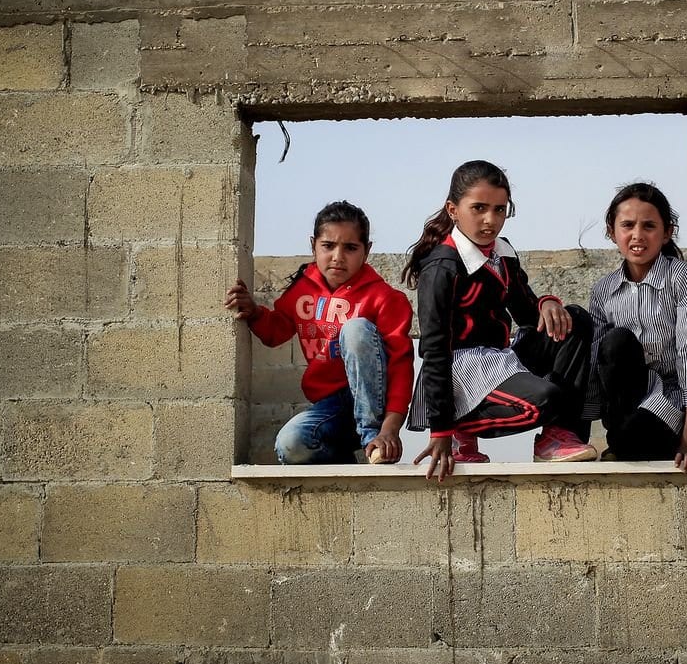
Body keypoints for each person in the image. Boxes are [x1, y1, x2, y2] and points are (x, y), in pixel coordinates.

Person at [403, 159, 597, 480]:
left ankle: (555, 437)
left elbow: (526, 313)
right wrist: (440, 428)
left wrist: (547, 304)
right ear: (453, 209)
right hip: (458, 369)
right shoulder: (442, 266)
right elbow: (435, 349)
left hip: (501, 358)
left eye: (499, 209)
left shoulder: (503, 252)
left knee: (573, 318)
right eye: (478, 208)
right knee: (546, 400)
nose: (490, 220)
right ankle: (458, 433)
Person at [225, 201, 413, 465]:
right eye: (328, 246)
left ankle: (372, 440)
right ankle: (347, 464)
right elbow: (275, 332)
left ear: (366, 251)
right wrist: (254, 311)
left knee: (356, 329)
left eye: (350, 248)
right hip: (332, 408)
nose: (338, 256)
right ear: (313, 245)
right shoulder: (303, 291)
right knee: (291, 445)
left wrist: (389, 429)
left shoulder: (385, 298)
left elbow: (401, 365)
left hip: (374, 401)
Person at [586, 183, 687, 471]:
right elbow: (596, 365)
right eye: (627, 225)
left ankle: (624, 443)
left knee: (633, 440)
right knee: (615, 342)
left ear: (667, 233)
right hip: (624, 404)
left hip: (669, 401)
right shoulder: (604, 291)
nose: (637, 235)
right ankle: (620, 441)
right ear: (611, 231)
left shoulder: (683, 279)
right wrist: (580, 437)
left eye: (649, 226)